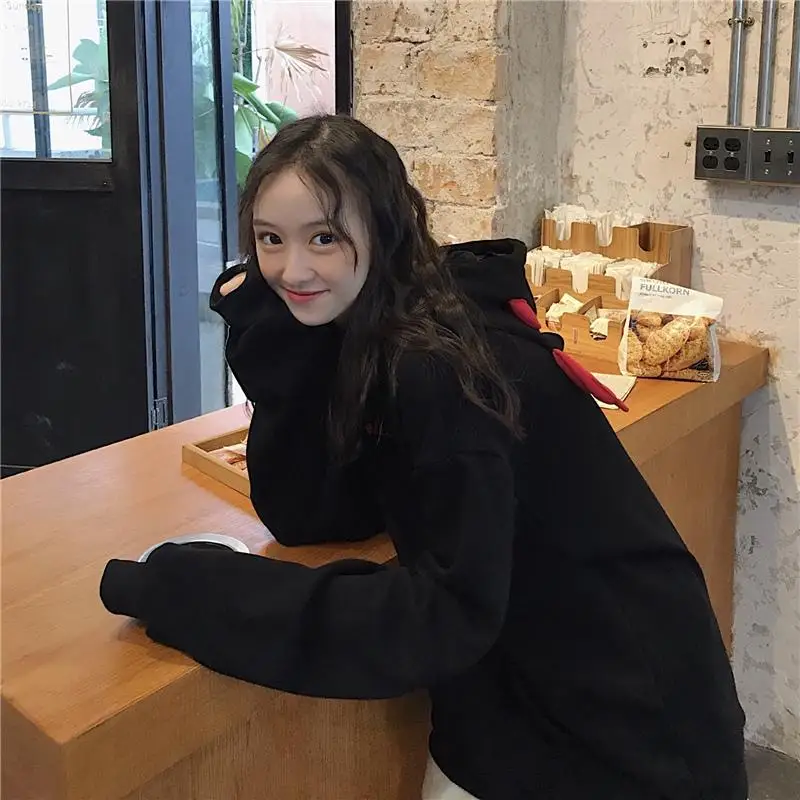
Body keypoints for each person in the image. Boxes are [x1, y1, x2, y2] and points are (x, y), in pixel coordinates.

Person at [100, 115, 747, 800]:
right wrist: (281, 340)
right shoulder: (383, 327)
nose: (291, 269)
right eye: (270, 240)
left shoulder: (441, 364)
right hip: (533, 688)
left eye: (324, 237)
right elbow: (312, 513)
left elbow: (443, 615)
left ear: (384, 228)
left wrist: (198, 594)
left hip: (622, 732)